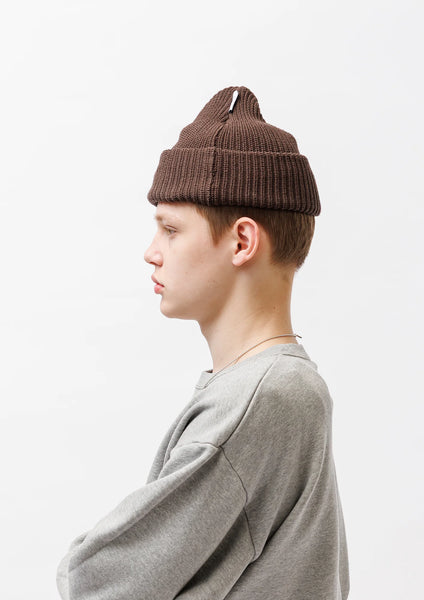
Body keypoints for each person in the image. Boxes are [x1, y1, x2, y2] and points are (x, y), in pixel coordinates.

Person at [56, 85, 350, 599]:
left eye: (171, 229)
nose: (151, 252)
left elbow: (95, 580)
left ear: (242, 241)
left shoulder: (262, 398)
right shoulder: (279, 386)